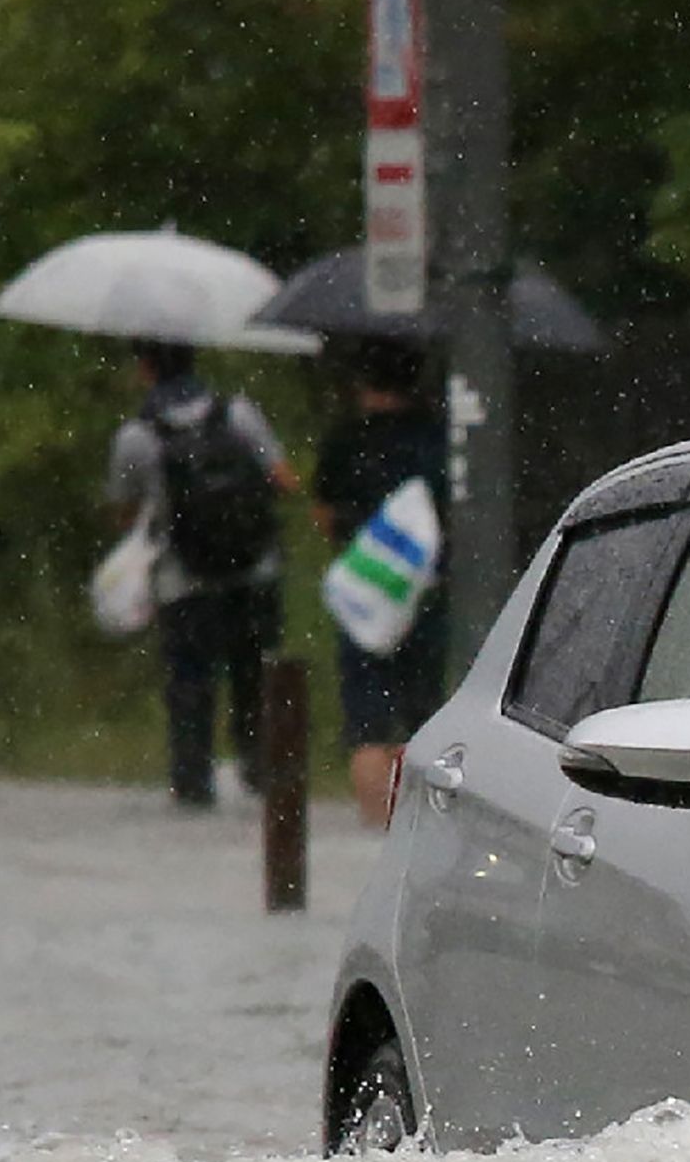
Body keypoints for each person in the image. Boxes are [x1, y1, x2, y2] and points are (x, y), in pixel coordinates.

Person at [104, 340, 300, 810]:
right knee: (252, 672)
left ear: (146, 368)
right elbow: (284, 480)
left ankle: (192, 781)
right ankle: (259, 770)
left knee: (189, 679)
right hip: (254, 572)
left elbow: (124, 513)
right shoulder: (238, 414)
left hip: (182, 580)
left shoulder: (137, 435)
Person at [312, 342, 450, 827]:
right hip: (427, 593)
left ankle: (374, 826)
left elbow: (324, 513)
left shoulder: (346, 439)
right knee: (422, 717)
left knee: (367, 723)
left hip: (365, 596)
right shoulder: (439, 440)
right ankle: (412, 824)